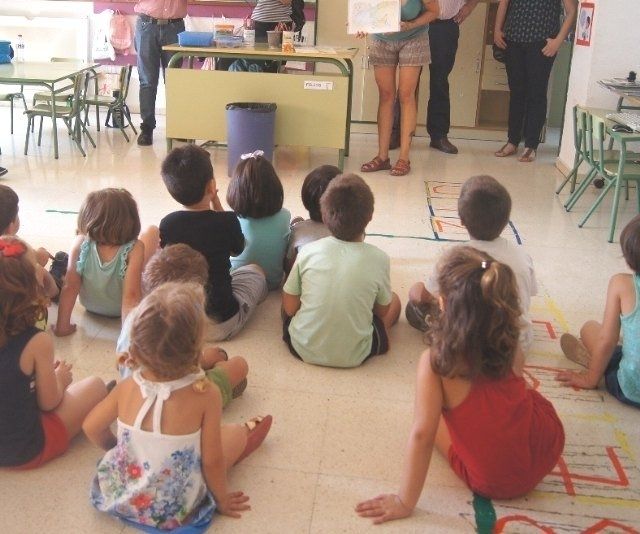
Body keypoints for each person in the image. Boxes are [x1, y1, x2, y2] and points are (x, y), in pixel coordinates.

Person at [356, 246, 564, 523]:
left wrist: (405, 502)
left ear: (443, 303)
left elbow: (422, 435)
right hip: (545, 449)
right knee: (519, 396)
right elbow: (517, 381)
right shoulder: (509, 337)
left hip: (492, 480)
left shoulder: (435, 362)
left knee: (428, 415)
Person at [84, 282, 272, 531]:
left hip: (123, 497)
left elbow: (91, 427)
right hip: (174, 508)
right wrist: (222, 500)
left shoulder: (126, 386)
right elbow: (212, 461)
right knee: (234, 434)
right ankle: (246, 433)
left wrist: (119, 449)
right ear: (198, 345)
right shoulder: (206, 394)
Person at [0, 235, 108, 469]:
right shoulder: (37, 341)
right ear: (31, 288)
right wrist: (60, 379)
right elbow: (49, 403)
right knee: (96, 386)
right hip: (24, 449)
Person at [406, 175, 536, 358]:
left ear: (461, 220)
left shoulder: (453, 257)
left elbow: (424, 296)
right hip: (516, 345)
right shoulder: (522, 256)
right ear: (506, 220)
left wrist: (416, 290)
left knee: (413, 308)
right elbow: (529, 293)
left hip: (468, 345)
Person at [282, 173, 401, 367]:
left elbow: (289, 308)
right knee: (394, 300)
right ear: (370, 217)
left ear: (324, 216)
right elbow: (381, 310)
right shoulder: (380, 258)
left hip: (301, 347)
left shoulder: (308, 251)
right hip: (357, 353)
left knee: (291, 297)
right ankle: (380, 334)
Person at [116, 244, 249, 407]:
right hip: (176, 403)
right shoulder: (182, 324)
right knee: (239, 365)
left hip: (134, 388)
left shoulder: (137, 315)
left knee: (215, 355)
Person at [157, 145, 268, 340]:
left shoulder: (167, 224)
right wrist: (216, 203)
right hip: (223, 323)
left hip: (185, 323)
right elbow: (238, 251)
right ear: (211, 186)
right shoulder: (227, 221)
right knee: (256, 271)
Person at [556, 215, 640, 408]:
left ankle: (596, 365)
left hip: (629, 389)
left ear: (629, 259)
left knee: (589, 328)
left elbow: (606, 340)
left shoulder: (622, 284)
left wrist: (590, 380)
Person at [359, 0, 439, 177]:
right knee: (386, 95)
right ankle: (382, 157)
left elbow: (434, 12)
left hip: (414, 37)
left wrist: (410, 24)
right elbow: (364, 11)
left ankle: (404, 159)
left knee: (406, 95)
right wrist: (360, 25)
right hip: (381, 39)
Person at [493, 0, 577, 162]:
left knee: (536, 94)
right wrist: (497, 30)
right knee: (516, 93)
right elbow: (503, 3)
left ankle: (531, 145)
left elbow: (572, 11)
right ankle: (512, 141)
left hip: (542, 43)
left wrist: (558, 41)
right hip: (513, 40)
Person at [54, 189, 145, 337]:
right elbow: (132, 295)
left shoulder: (79, 243)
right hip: (118, 309)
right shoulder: (135, 248)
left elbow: (70, 286)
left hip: (90, 306)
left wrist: (62, 327)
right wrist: (128, 340)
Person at [227, 151, 291, 290]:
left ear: (235, 190)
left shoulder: (231, 219)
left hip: (236, 280)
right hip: (272, 282)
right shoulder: (285, 216)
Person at [426, 0, 480, 154]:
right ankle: (397, 133)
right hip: (415, 24)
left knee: (439, 81)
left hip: (445, 25)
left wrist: (469, 6)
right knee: (408, 83)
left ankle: (439, 135)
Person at [134, 0, 188, 146]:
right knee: (147, 80)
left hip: (174, 27)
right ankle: (147, 129)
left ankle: (177, 127)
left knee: (173, 81)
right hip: (146, 25)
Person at [1, 184, 63, 301]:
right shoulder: (14, 248)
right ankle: (56, 291)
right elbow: (31, 261)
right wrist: (39, 258)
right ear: (10, 227)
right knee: (38, 270)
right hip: (15, 306)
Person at [285, 164, 340, 273]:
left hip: (306, 281)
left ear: (305, 198)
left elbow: (289, 266)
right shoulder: (349, 231)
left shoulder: (298, 231)